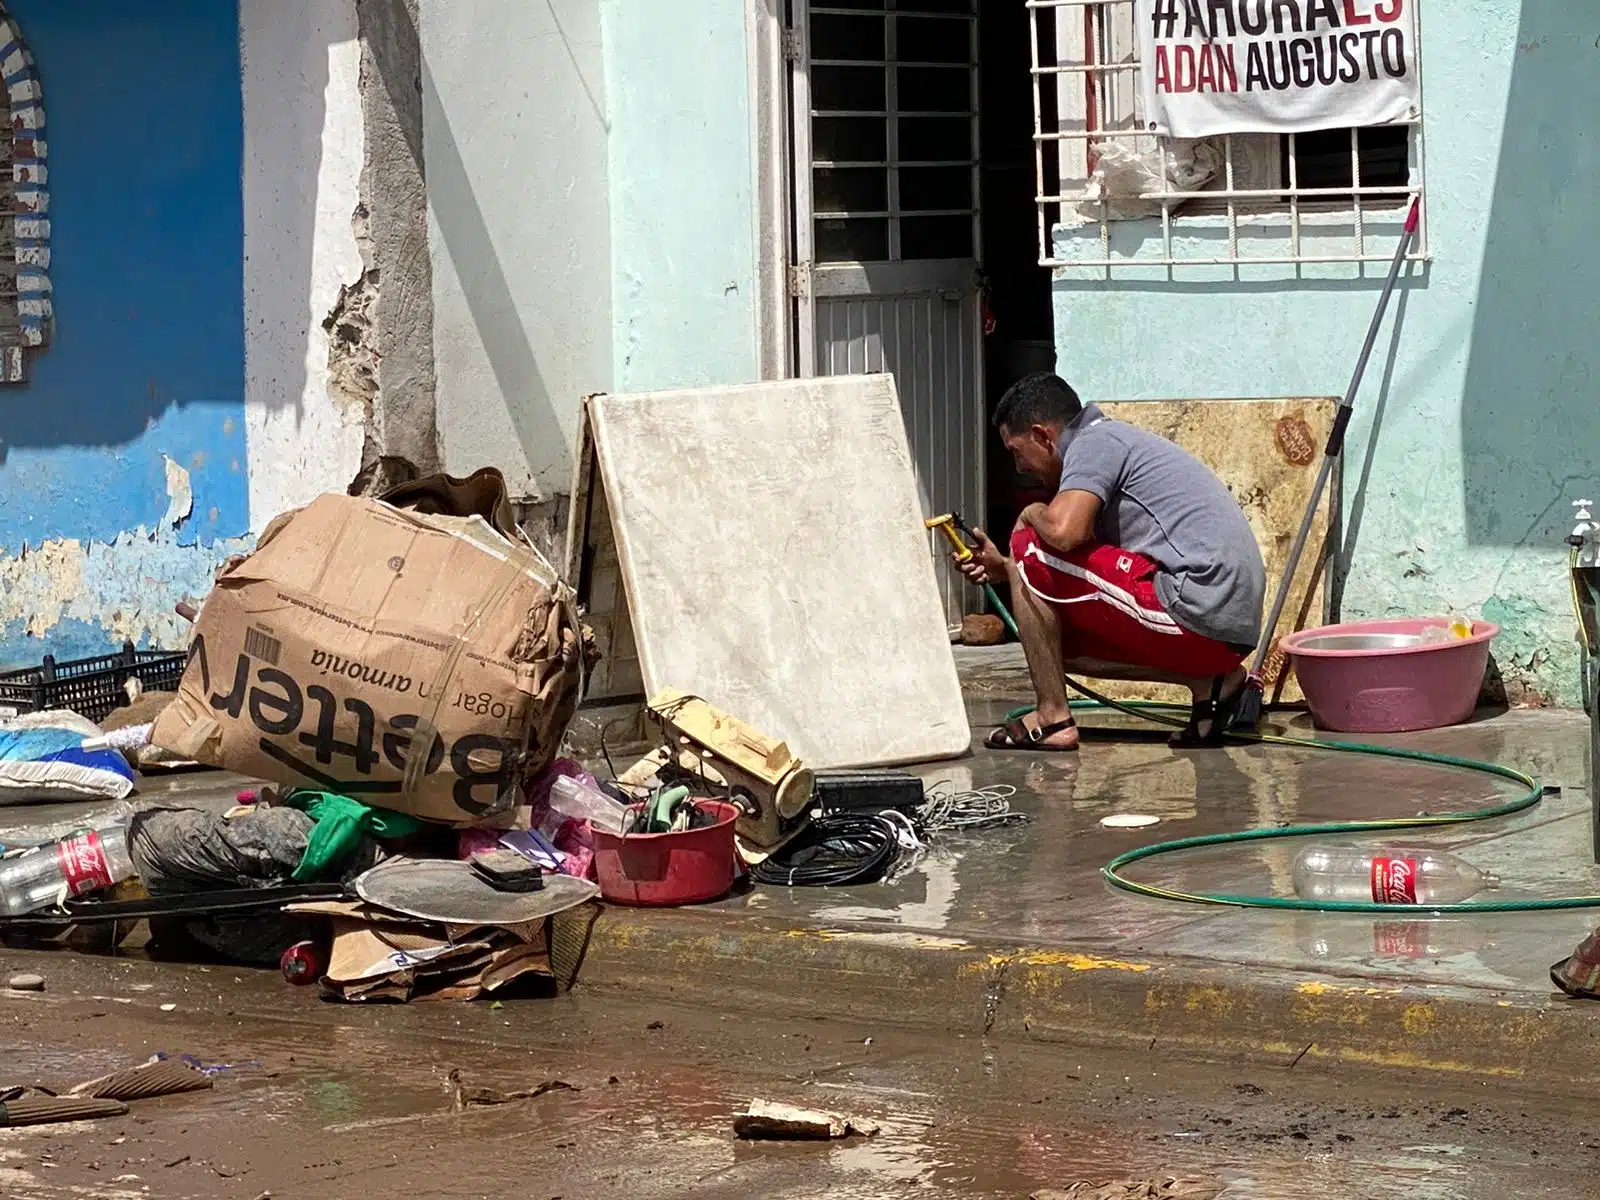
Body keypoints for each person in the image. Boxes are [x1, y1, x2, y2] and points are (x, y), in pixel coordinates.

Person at [958, 373, 1266, 751]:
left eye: (1016, 451)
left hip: (1199, 601)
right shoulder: (1112, 443)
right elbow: (1076, 566)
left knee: (1029, 541)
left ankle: (1053, 718)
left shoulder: (1094, 443)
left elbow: (1065, 533)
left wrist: (1029, 517)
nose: (1020, 466)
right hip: (1226, 621)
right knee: (1052, 643)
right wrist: (1008, 568)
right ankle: (1211, 682)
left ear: (1042, 436)